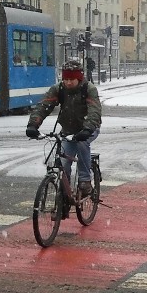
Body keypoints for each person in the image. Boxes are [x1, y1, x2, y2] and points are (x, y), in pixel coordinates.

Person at [26, 59, 102, 196]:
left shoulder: (89, 89)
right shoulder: (58, 89)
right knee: (64, 162)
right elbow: (44, 106)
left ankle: (85, 181)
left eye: (72, 79)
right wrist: (33, 124)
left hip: (89, 129)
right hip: (68, 130)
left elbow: (94, 111)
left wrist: (88, 128)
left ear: (79, 78)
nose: (68, 82)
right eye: (65, 79)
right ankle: (64, 195)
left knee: (82, 143)